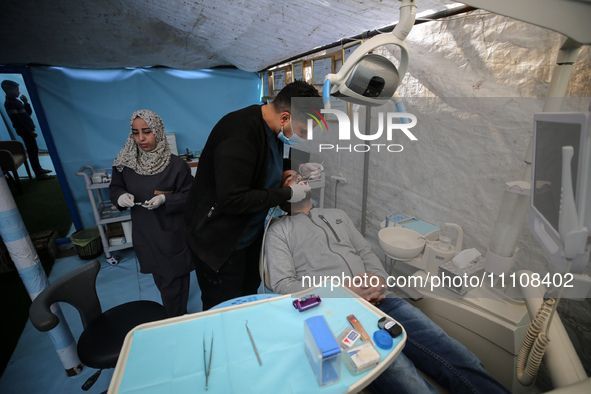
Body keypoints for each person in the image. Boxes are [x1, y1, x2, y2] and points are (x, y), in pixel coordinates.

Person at [264, 169, 511, 394]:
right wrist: (342, 291)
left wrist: (380, 280)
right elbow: (284, 285)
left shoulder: (337, 214)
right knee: (408, 382)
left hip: (384, 301)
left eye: (299, 175)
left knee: (458, 356)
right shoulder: (279, 231)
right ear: (283, 193)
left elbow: (365, 252)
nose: (299, 177)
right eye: (289, 178)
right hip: (340, 315)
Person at [184, 80, 324, 310]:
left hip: (248, 236)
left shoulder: (272, 128)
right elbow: (232, 199)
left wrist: (294, 169)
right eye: (302, 131)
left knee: (248, 299)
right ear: (285, 117)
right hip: (219, 240)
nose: (304, 138)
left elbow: (263, 165)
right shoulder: (239, 133)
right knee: (224, 307)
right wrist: (287, 192)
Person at [110, 109, 194, 318]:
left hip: (171, 236)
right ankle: (175, 317)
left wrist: (167, 199)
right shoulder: (125, 163)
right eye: (135, 132)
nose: (141, 139)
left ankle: (177, 321)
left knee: (175, 286)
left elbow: (191, 195)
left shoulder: (176, 165)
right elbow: (115, 187)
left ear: (158, 131)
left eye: (146, 132)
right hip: (145, 234)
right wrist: (120, 196)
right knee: (162, 281)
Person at [2, 80, 53, 180]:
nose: (18, 92)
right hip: (25, 131)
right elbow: (17, 121)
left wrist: (26, 103)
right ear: (7, 90)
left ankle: (39, 169)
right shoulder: (9, 103)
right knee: (32, 152)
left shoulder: (16, 101)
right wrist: (29, 131)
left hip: (27, 130)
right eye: (16, 90)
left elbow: (27, 114)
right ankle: (39, 174)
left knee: (34, 150)